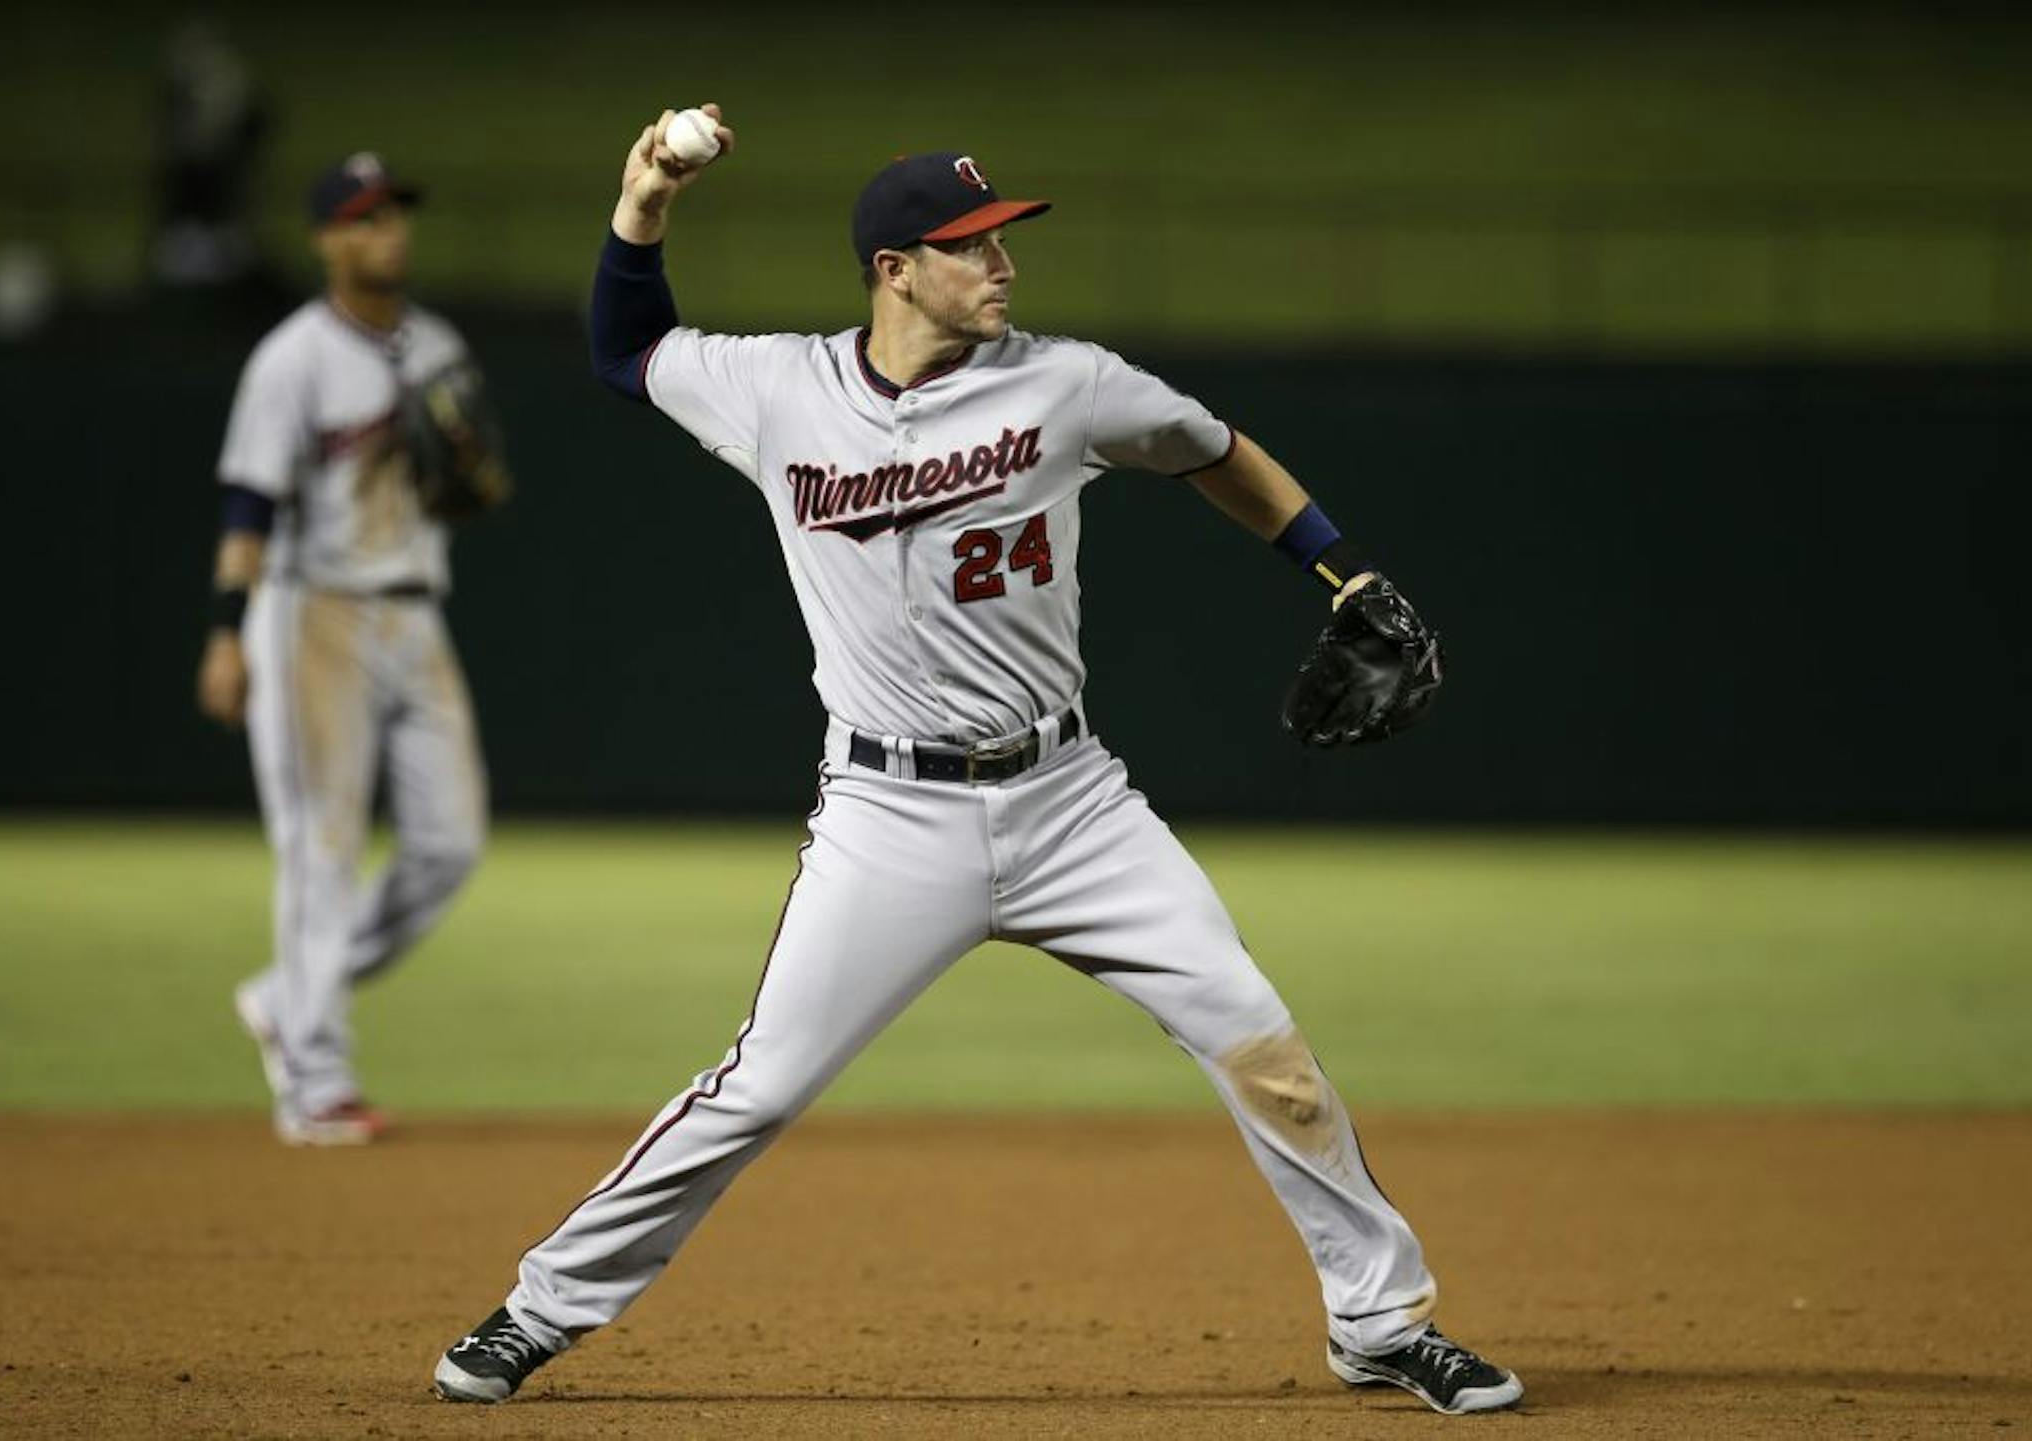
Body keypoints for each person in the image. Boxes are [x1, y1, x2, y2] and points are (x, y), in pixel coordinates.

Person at [431, 105, 1519, 1416]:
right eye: (971, 246)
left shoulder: (1069, 384)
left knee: (1263, 1046)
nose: (1003, 265)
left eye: (1004, 241)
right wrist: (644, 197)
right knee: (758, 1086)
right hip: (890, 816)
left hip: (1073, 803)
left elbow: (1214, 452)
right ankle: (540, 1308)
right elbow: (625, 351)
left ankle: (1381, 1321)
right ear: (895, 271)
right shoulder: (778, 391)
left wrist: (1344, 570)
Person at [198, 153, 498, 1146]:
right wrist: (226, 632)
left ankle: (290, 996)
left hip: (417, 609)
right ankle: (315, 1079)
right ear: (328, 238)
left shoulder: (439, 345)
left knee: (450, 843)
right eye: (367, 220)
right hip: (309, 612)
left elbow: (478, 488)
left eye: (397, 215)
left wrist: (465, 466)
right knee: (321, 848)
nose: (390, 235)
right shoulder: (293, 358)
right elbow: (249, 499)